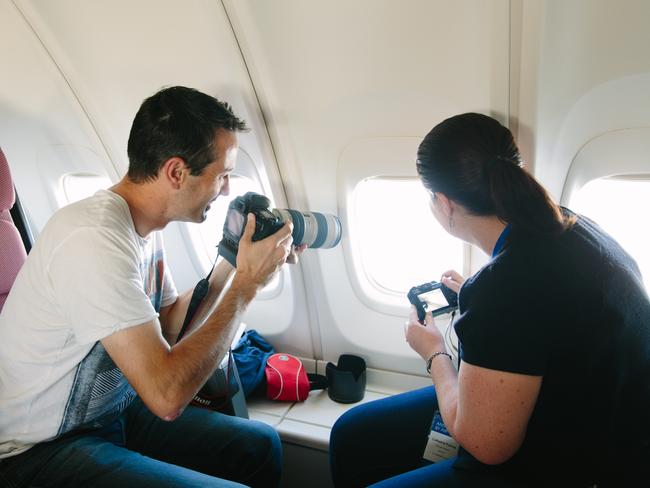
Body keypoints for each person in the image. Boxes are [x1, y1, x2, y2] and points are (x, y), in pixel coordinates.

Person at [0, 86, 303, 487]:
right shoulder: (92, 239)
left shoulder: (143, 226)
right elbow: (167, 397)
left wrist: (231, 262)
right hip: (36, 449)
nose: (227, 189)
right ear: (176, 172)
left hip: (109, 412)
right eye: (222, 175)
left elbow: (168, 325)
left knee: (259, 445)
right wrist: (248, 285)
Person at [329, 113, 650, 487]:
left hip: (587, 463)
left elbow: (487, 445)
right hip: (595, 414)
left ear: (445, 203)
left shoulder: (502, 287)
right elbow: (545, 309)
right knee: (354, 433)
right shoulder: (569, 224)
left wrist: (434, 353)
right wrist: (476, 298)